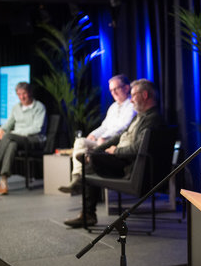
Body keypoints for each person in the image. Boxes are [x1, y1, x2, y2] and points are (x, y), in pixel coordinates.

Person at [64, 79, 166, 228]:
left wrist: (115, 151)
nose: (131, 101)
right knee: (92, 158)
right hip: (123, 159)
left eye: (133, 95)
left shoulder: (153, 119)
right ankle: (85, 175)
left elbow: (138, 149)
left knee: (91, 163)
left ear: (144, 95)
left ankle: (87, 209)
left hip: (129, 166)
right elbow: (119, 136)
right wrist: (98, 150)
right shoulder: (140, 116)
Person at [58, 74, 136, 194]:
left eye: (116, 89)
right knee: (80, 142)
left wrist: (104, 137)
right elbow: (104, 126)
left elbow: (123, 128)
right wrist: (93, 135)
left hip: (116, 143)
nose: (113, 92)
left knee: (82, 153)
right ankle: (77, 177)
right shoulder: (113, 107)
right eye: (111, 90)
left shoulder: (132, 105)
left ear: (126, 88)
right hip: (102, 141)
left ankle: (78, 180)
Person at [0, 82, 47, 195]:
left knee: (9, 137)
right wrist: (0, 129)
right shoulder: (16, 108)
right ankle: (3, 180)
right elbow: (8, 124)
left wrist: (14, 133)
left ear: (30, 93)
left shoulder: (39, 107)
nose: (22, 97)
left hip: (34, 139)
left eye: (24, 94)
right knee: (12, 144)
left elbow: (36, 128)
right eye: (19, 94)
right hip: (17, 139)